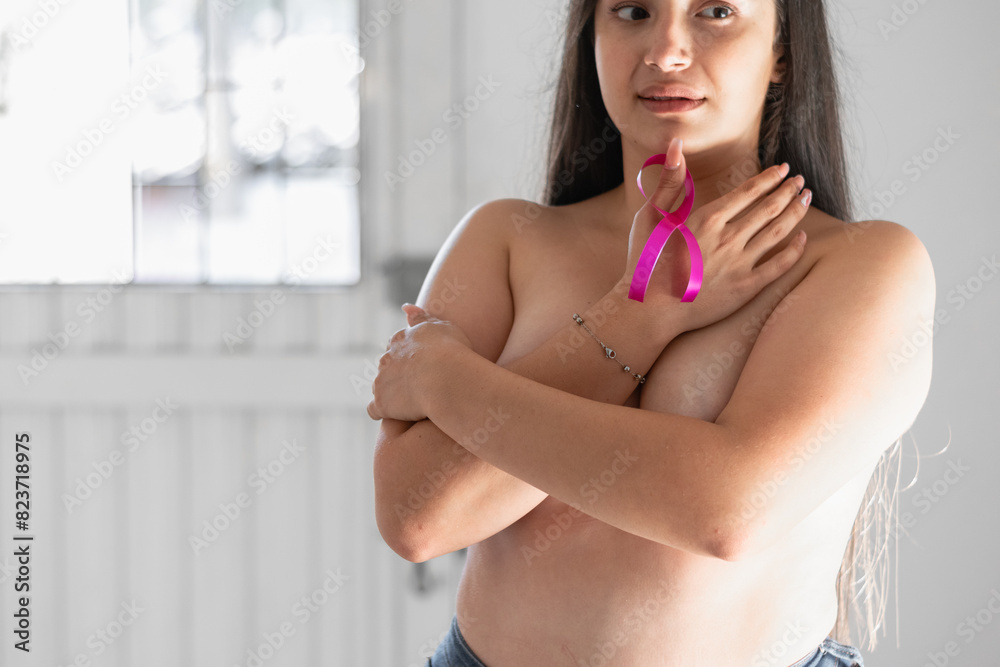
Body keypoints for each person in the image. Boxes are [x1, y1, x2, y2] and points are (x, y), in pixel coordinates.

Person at [368, 0, 934, 665]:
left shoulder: (866, 264)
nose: (666, 50)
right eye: (633, 11)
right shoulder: (507, 240)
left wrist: (446, 378)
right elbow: (419, 518)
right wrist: (640, 315)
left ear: (782, 46)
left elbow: (728, 511)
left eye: (715, 12)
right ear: (592, 38)